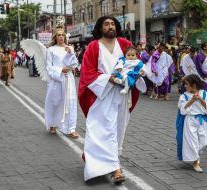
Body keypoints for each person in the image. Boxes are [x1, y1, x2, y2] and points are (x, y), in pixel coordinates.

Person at [78, 16, 145, 184]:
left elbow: (135, 62)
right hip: (101, 96)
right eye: (106, 24)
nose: (110, 26)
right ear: (100, 28)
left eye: (112, 24)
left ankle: (106, 163)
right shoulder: (93, 47)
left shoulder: (123, 43)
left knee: (116, 131)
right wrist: (108, 79)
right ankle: (115, 169)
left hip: (122, 95)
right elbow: (87, 73)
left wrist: (139, 72)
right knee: (101, 131)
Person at [45, 27, 79, 139]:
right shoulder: (51, 50)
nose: (61, 37)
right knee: (55, 102)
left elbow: (75, 64)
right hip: (57, 79)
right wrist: (60, 70)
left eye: (62, 35)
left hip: (68, 79)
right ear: (55, 37)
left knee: (70, 102)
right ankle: (53, 124)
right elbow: (49, 67)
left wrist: (71, 53)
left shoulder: (70, 48)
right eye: (58, 35)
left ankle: (71, 129)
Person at [176, 74, 207, 172]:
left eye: (187, 84)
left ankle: (196, 156)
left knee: (204, 142)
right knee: (193, 142)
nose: (184, 86)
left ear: (194, 85)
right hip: (190, 120)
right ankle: (196, 162)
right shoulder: (184, 96)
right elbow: (182, 110)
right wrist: (192, 100)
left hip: (202, 120)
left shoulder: (205, 94)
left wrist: (200, 99)